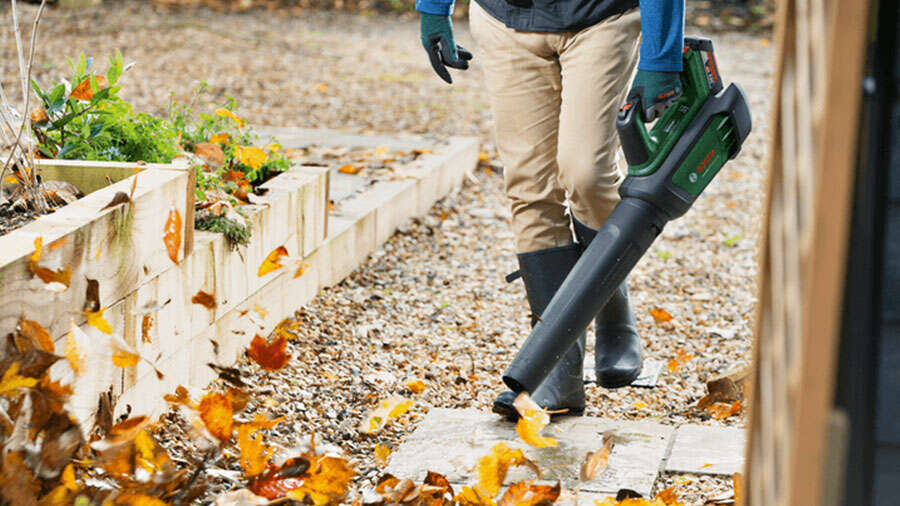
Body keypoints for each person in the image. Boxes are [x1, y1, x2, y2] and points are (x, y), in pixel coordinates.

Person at [415, 0, 685, 418]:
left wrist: (660, 55)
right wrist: (434, 8)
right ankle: (555, 371)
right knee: (530, 187)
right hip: (504, 20)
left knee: (587, 175)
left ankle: (611, 306)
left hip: (601, 17)